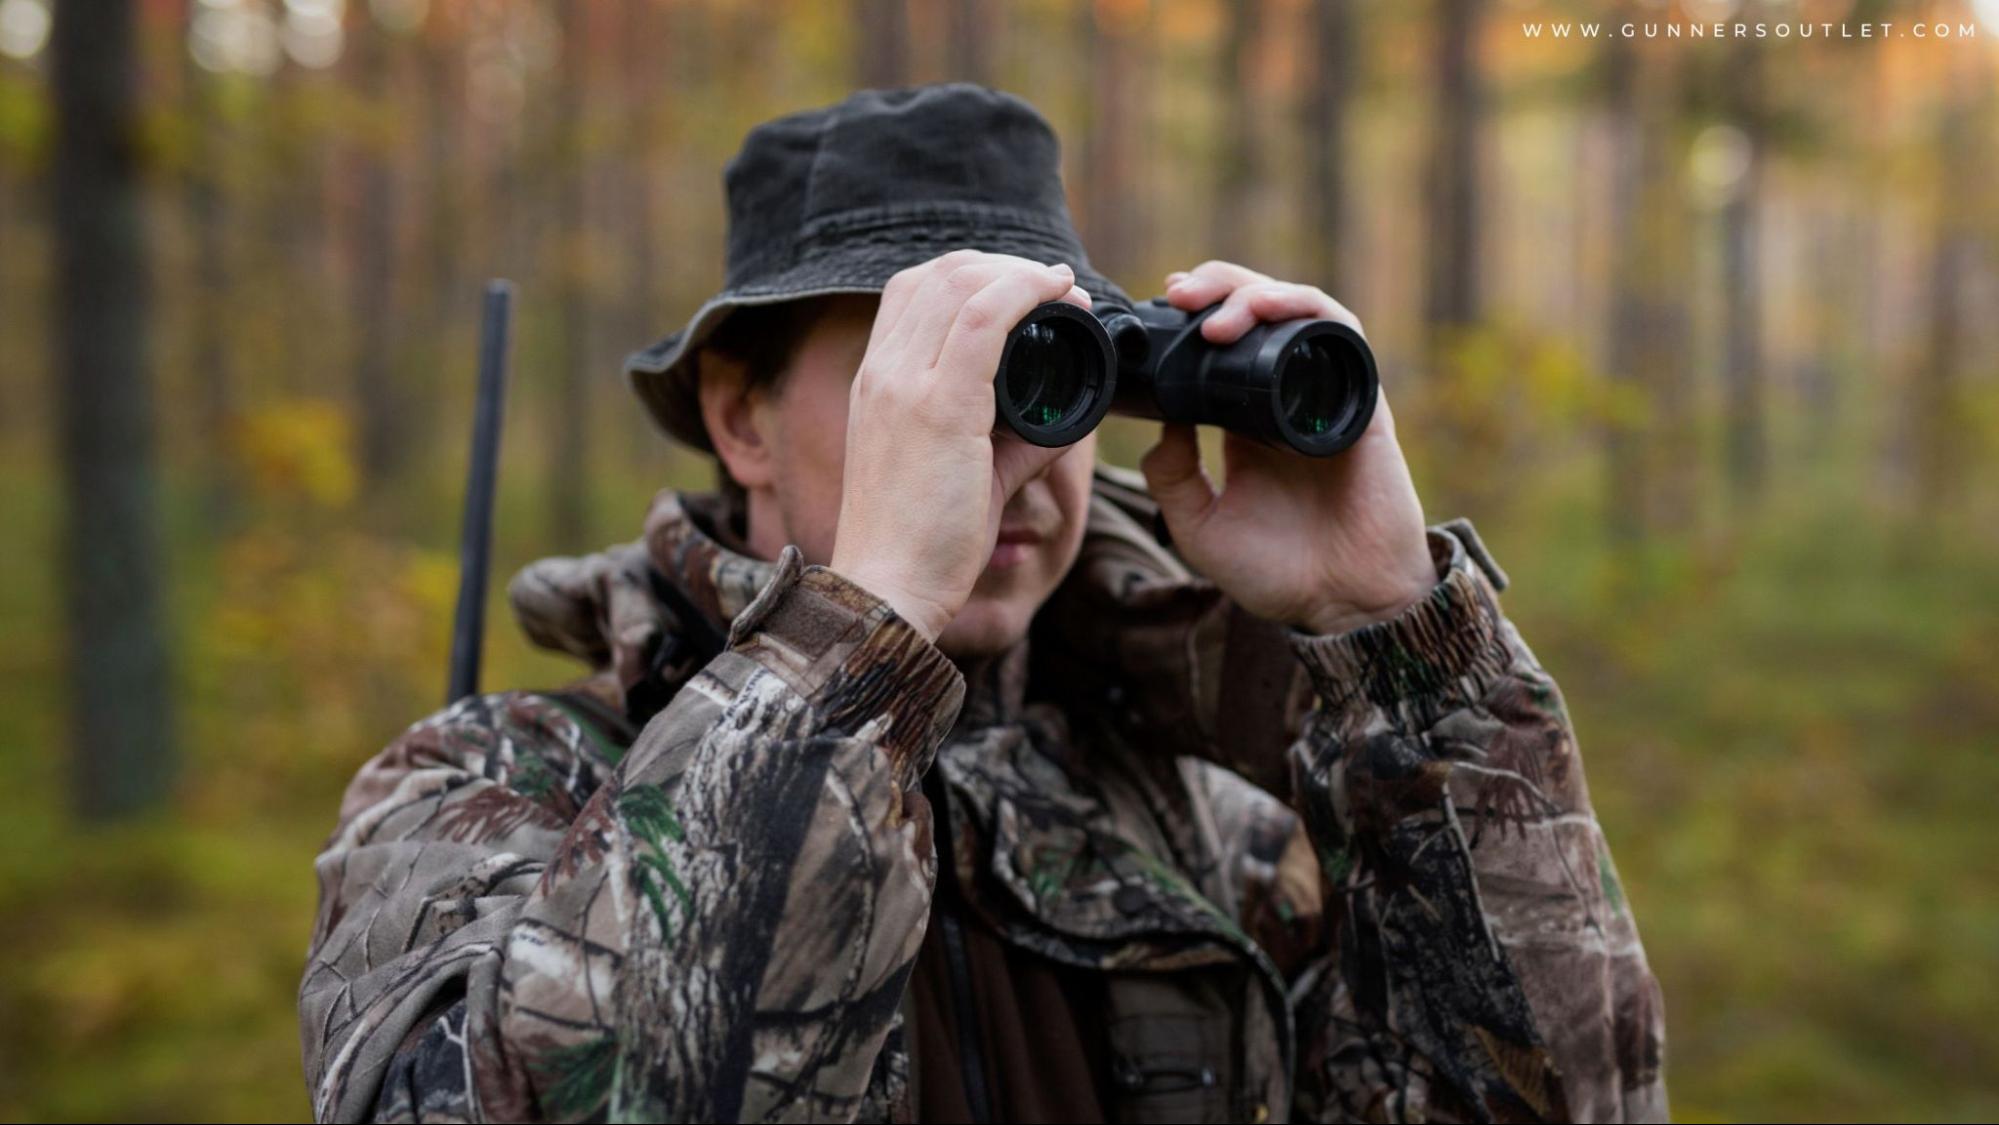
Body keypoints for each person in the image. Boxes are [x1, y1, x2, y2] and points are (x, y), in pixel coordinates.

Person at [299, 83, 1667, 1124]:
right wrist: (862, 626)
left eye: (1047, 373)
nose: (1008, 454)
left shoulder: (1216, 823)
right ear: (741, 417)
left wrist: (1407, 653)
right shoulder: (486, 794)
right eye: (930, 373)